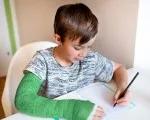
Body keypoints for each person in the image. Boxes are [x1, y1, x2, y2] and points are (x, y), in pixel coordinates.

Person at [15, 3, 131, 120]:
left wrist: (123, 87)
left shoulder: (90, 59)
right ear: (59, 39)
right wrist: (71, 109)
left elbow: (118, 68)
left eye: (89, 46)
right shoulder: (42, 61)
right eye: (78, 48)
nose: (84, 53)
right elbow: (23, 99)